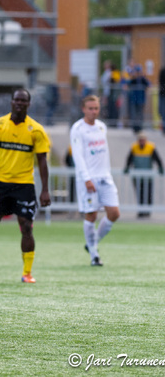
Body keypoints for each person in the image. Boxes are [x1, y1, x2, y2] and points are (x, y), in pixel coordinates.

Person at [0, 89, 51, 283]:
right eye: (16, 100)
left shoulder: (36, 130)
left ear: (28, 104)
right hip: (1, 183)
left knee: (26, 227)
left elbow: (42, 161)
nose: (19, 103)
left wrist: (44, 189)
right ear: (11, 102)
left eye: (23, 101)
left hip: (24, 185)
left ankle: (27, 273)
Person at [70, 95, 120, 266]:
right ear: (83, 109)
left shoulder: (101, 127)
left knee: (114, 213)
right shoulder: (78, 129)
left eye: (96, 108)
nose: (93, 111)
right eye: (90, 108)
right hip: (88, 179)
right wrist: (86, 178)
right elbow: (78, 155)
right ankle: (94, 254)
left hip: (105, 177)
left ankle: (92, 242)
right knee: (91, 215)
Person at [123, 131, 163, 218]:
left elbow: (157, 158)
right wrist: (127, 167)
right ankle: (141, 210)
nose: (141, 141)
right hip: (137, 175)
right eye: (140, 140)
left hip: (147, 175)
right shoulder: (134, 147)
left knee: (148, 193)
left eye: (143, 140)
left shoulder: (150, 147)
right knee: (139, 193)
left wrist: (160, 167)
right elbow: (129, 158)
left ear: (145, 140)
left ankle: (147, 211)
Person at [127, 64, 150, 133]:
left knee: (140, 113)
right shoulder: (133, 79)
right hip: (134, 99)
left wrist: (144, 77)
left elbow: (148, 84)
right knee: (134, 113)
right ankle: (134, 126)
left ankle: (139, 126)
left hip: (141, 99)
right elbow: (128, 84)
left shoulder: (143, 80)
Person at [159, 66, 165, 135]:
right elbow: (161, 82)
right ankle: (163, 128)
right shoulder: (163, 71)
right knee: (162, 112)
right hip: (163, 95)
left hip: (162, 94)